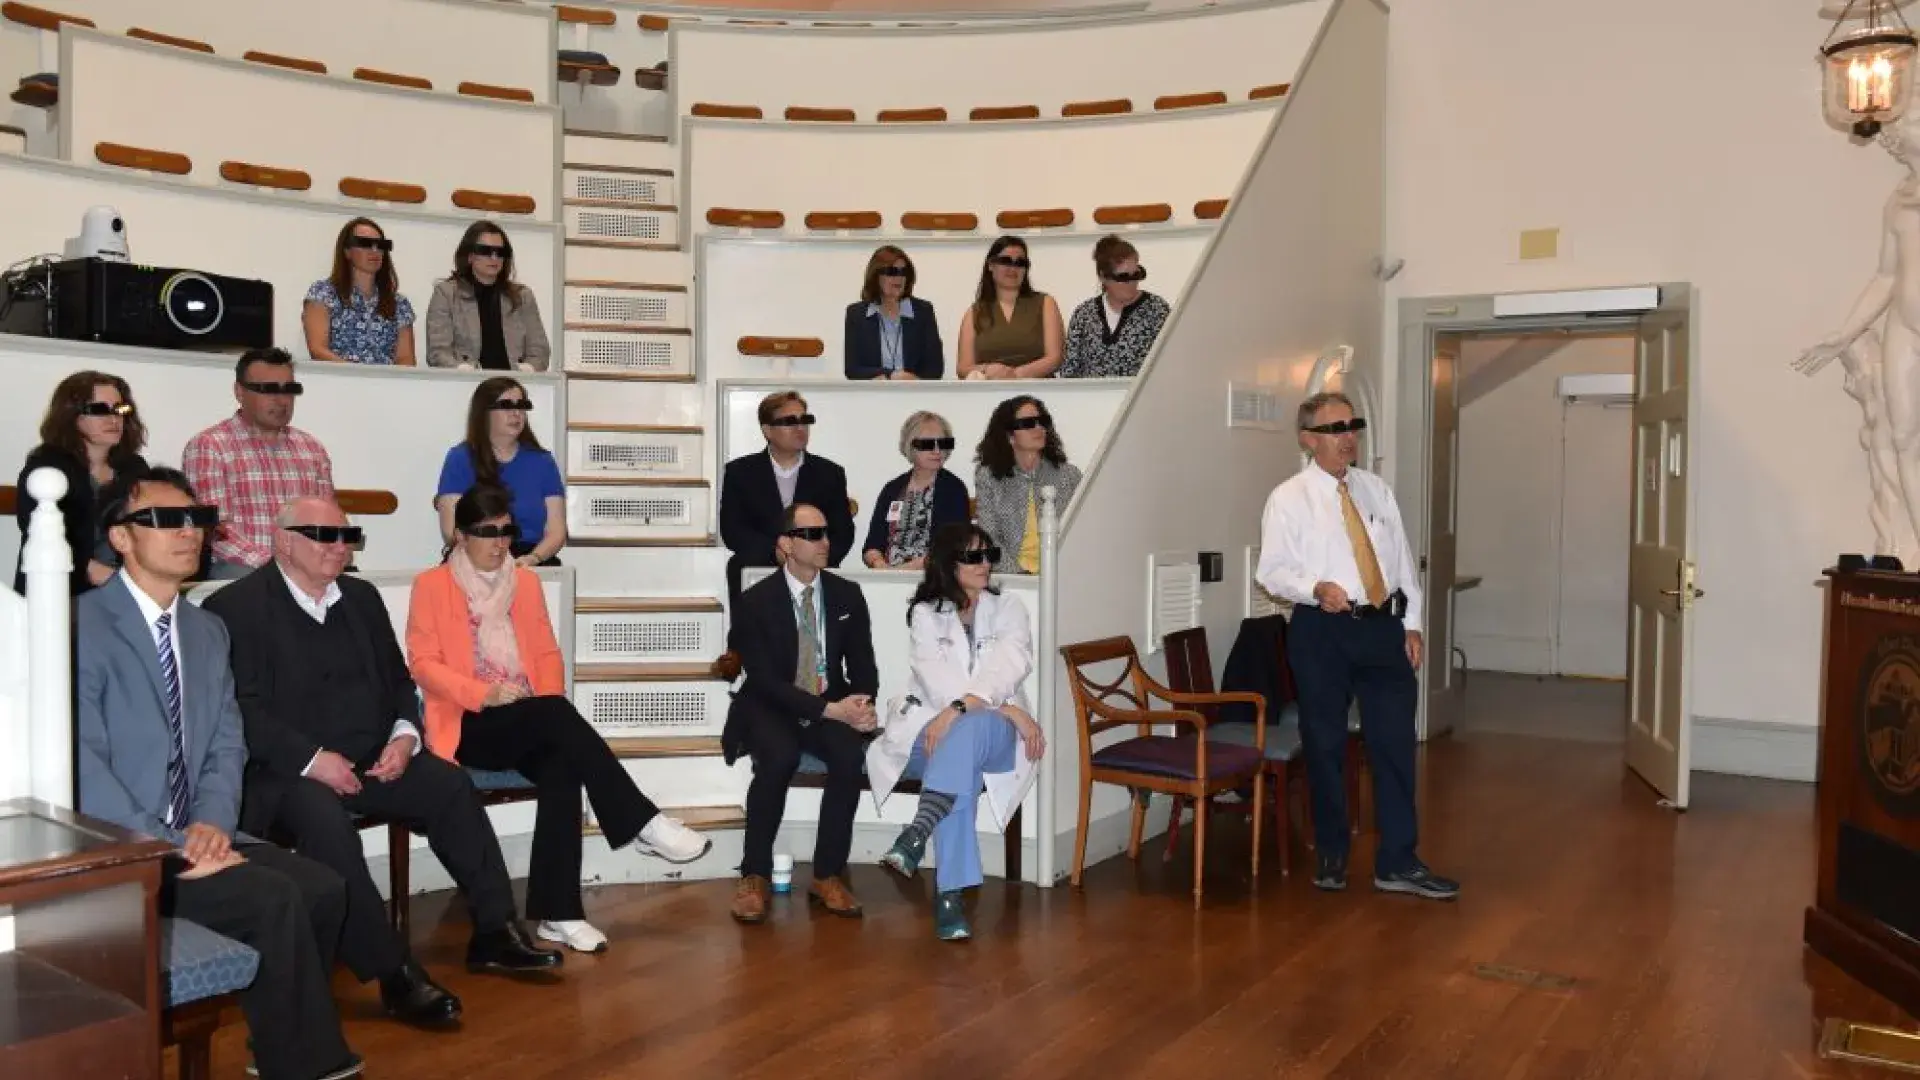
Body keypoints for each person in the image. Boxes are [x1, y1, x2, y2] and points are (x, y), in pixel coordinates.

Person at [201, 496, 561, 1028]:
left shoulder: (362, 598)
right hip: (285, 773)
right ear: (283, 541)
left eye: (346, 536)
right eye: (322, 535)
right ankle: (393, 972)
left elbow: (397, 681)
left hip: (374, 756)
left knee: (448, 786)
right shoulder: (235, 607)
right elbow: (240, 711)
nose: (338, 546)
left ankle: (495, 931)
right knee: (325, 825)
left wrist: (404, 736)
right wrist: (312, 759)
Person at [76, 466, 363, 1080]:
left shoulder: (206, 631)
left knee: (324, 888)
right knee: (274, 897)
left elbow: (225, 743)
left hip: (196, 832)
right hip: (123, 850)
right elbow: (84, 767)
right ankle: (307, 1066)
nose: (188, 532)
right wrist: (174, 846)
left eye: (197, 519)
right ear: (121, 537)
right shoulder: (81, 628)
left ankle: (278, 1050)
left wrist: (210, 824)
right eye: (164, 519)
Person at [407, 484, 710, 953]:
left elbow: (547, 655)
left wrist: (539, 709)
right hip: (470, 721)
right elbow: (423, 664)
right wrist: (485, 693)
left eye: (508, 531)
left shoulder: (524, 581)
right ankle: (640, 822)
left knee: (563, 766)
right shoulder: (432, 584)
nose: (501, 542)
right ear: (462, 536)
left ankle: (559, 912)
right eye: (488, 532)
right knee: (554, 717)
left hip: (528, 716)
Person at [1255, 391, 1458, 901]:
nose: (1347, 437)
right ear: (1308, 439)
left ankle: (1399, 861)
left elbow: (1401, 561)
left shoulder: (1375, 490)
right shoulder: (1289, 497)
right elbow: (1272, 572)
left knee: (1393, 745)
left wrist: (1411, 624)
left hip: (1382, 630)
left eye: (1352, 426)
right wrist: (1314, 588)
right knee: (1323, 745)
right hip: (1322, 631)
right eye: (1334, 429)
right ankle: (1331, 853)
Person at [873, 523, 1045, 941]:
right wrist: (992, 708)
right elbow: (936, 680)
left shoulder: (1009, 608)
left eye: (990, 555)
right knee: (958, 765)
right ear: (950, 564)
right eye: (974, 557)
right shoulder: (925, 613)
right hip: (928, 730)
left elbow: (1010, 666)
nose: (985, 564)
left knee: (968, 732)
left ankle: (918, 836)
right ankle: (948, 895)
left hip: (993, 734)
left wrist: (971, 708)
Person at [723, 501, 879, 924]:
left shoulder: (847, 594)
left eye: (825, 533)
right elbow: (765, 681)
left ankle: (827, 874)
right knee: (779, 757)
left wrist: (862, 707)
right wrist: (831, 709)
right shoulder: (756, 601)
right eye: (811, 535)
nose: (824, 542)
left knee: (849, 757)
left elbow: (863, 666)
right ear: (785, 545)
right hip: (771, 705)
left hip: (828, 705)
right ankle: (754, 873)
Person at [183, 348, 336, 578]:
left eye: (289, 390)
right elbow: (215, 531)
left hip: (306, 569)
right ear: (239, 392)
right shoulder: (209, 446)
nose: (282, 400)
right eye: (269, 390)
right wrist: (278, 568)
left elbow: (327, 520)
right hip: (242, 568)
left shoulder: (312, 449)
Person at [12, 370, 148, 595]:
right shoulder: (46, 467)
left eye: (120, 409)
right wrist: (97, 572)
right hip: (60, 589)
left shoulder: (134, 467)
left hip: (125, 584)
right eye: (99, 410)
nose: (113, 419)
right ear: (71, 416)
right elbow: (41, 534)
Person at [718, 390, 855, 604]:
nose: (800, 428)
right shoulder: (740, 472)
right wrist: (777, 552)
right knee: (740, 566)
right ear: (767, 430)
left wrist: (808, 556)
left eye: (805, 421)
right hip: (760, 563)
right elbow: (733, 531)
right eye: (790, 421)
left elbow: (843, 534)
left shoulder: (830, 473)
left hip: (814, 567)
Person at [435, 378, 566, 566]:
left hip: (530, 559)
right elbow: (450, 530)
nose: (516, 413)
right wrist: (491, 558)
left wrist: (533, 558)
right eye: (506, 405)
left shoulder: (543, 461)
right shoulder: (460, 458)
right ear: (484, 413)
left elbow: (556, 531)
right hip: (475, 558)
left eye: (522, 406)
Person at [971, 395, 1081, 574]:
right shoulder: (989, 477)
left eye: (1042, 421)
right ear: (1009, 436)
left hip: (1062, 575)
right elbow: (989, 537)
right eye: (1028, 423)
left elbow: (1081, 534)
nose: (1038, 428)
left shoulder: (1069, 475)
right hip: (1011, 578)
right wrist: (1018, 576)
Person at [425, 220, 551, 372]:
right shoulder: (446, 293)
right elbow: (438, 352)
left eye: (500, 252)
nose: (494, 258)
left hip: (514, 383)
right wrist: (462, 370)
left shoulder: (523, 296)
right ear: (469, 256)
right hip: (464, 382)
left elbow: (540, 351)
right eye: (485, 250)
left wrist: (527, 370)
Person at [862, 410, 970, 570]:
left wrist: (907, 570)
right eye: (927, 444)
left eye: (943, 443)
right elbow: (872, 544)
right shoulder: (892, 488)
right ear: (910, 446)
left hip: (931, 575)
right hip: (887, 573)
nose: (937, 451)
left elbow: (951, 549)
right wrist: (879, 564)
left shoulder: (953, 489)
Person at [304, 217, 417, 366]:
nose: (375, 250)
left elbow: (406, 360)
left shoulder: (399, 304)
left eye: (381, 245)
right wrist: (358, 376)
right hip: (339, 381)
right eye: (365, 244)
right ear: (347, 251)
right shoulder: (322, 293)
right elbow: (318, 350)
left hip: (387, 385)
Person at [1060, 234, 1171, 378]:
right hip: (1091, 397)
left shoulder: (1157, 310)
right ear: (1103, 277)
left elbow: (1170, 363)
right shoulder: (1084, 315)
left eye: (1136, 275)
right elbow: (1070, 370)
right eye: (1123, 277)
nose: (1132, 282)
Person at [955, 235, 1064, 380]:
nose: (1013, 268)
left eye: (1020, 263)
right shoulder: (974, 312)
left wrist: (1016, 375)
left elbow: (1055, 357)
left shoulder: (1046, 303)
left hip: (1038, 389)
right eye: (1005, 261)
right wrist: (988, 369)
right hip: (989, 390)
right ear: (990, 265)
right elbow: (963, 368)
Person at [844, 245, 943, 380]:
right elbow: (852, 369)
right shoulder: (856, 314)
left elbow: (935, 368)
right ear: (876, 275)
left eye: (904, 272)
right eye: (892, 271)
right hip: (873, 395)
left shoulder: (923, 311)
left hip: (915, 394)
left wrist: (912, 380)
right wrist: (891, 375)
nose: (899, 277)